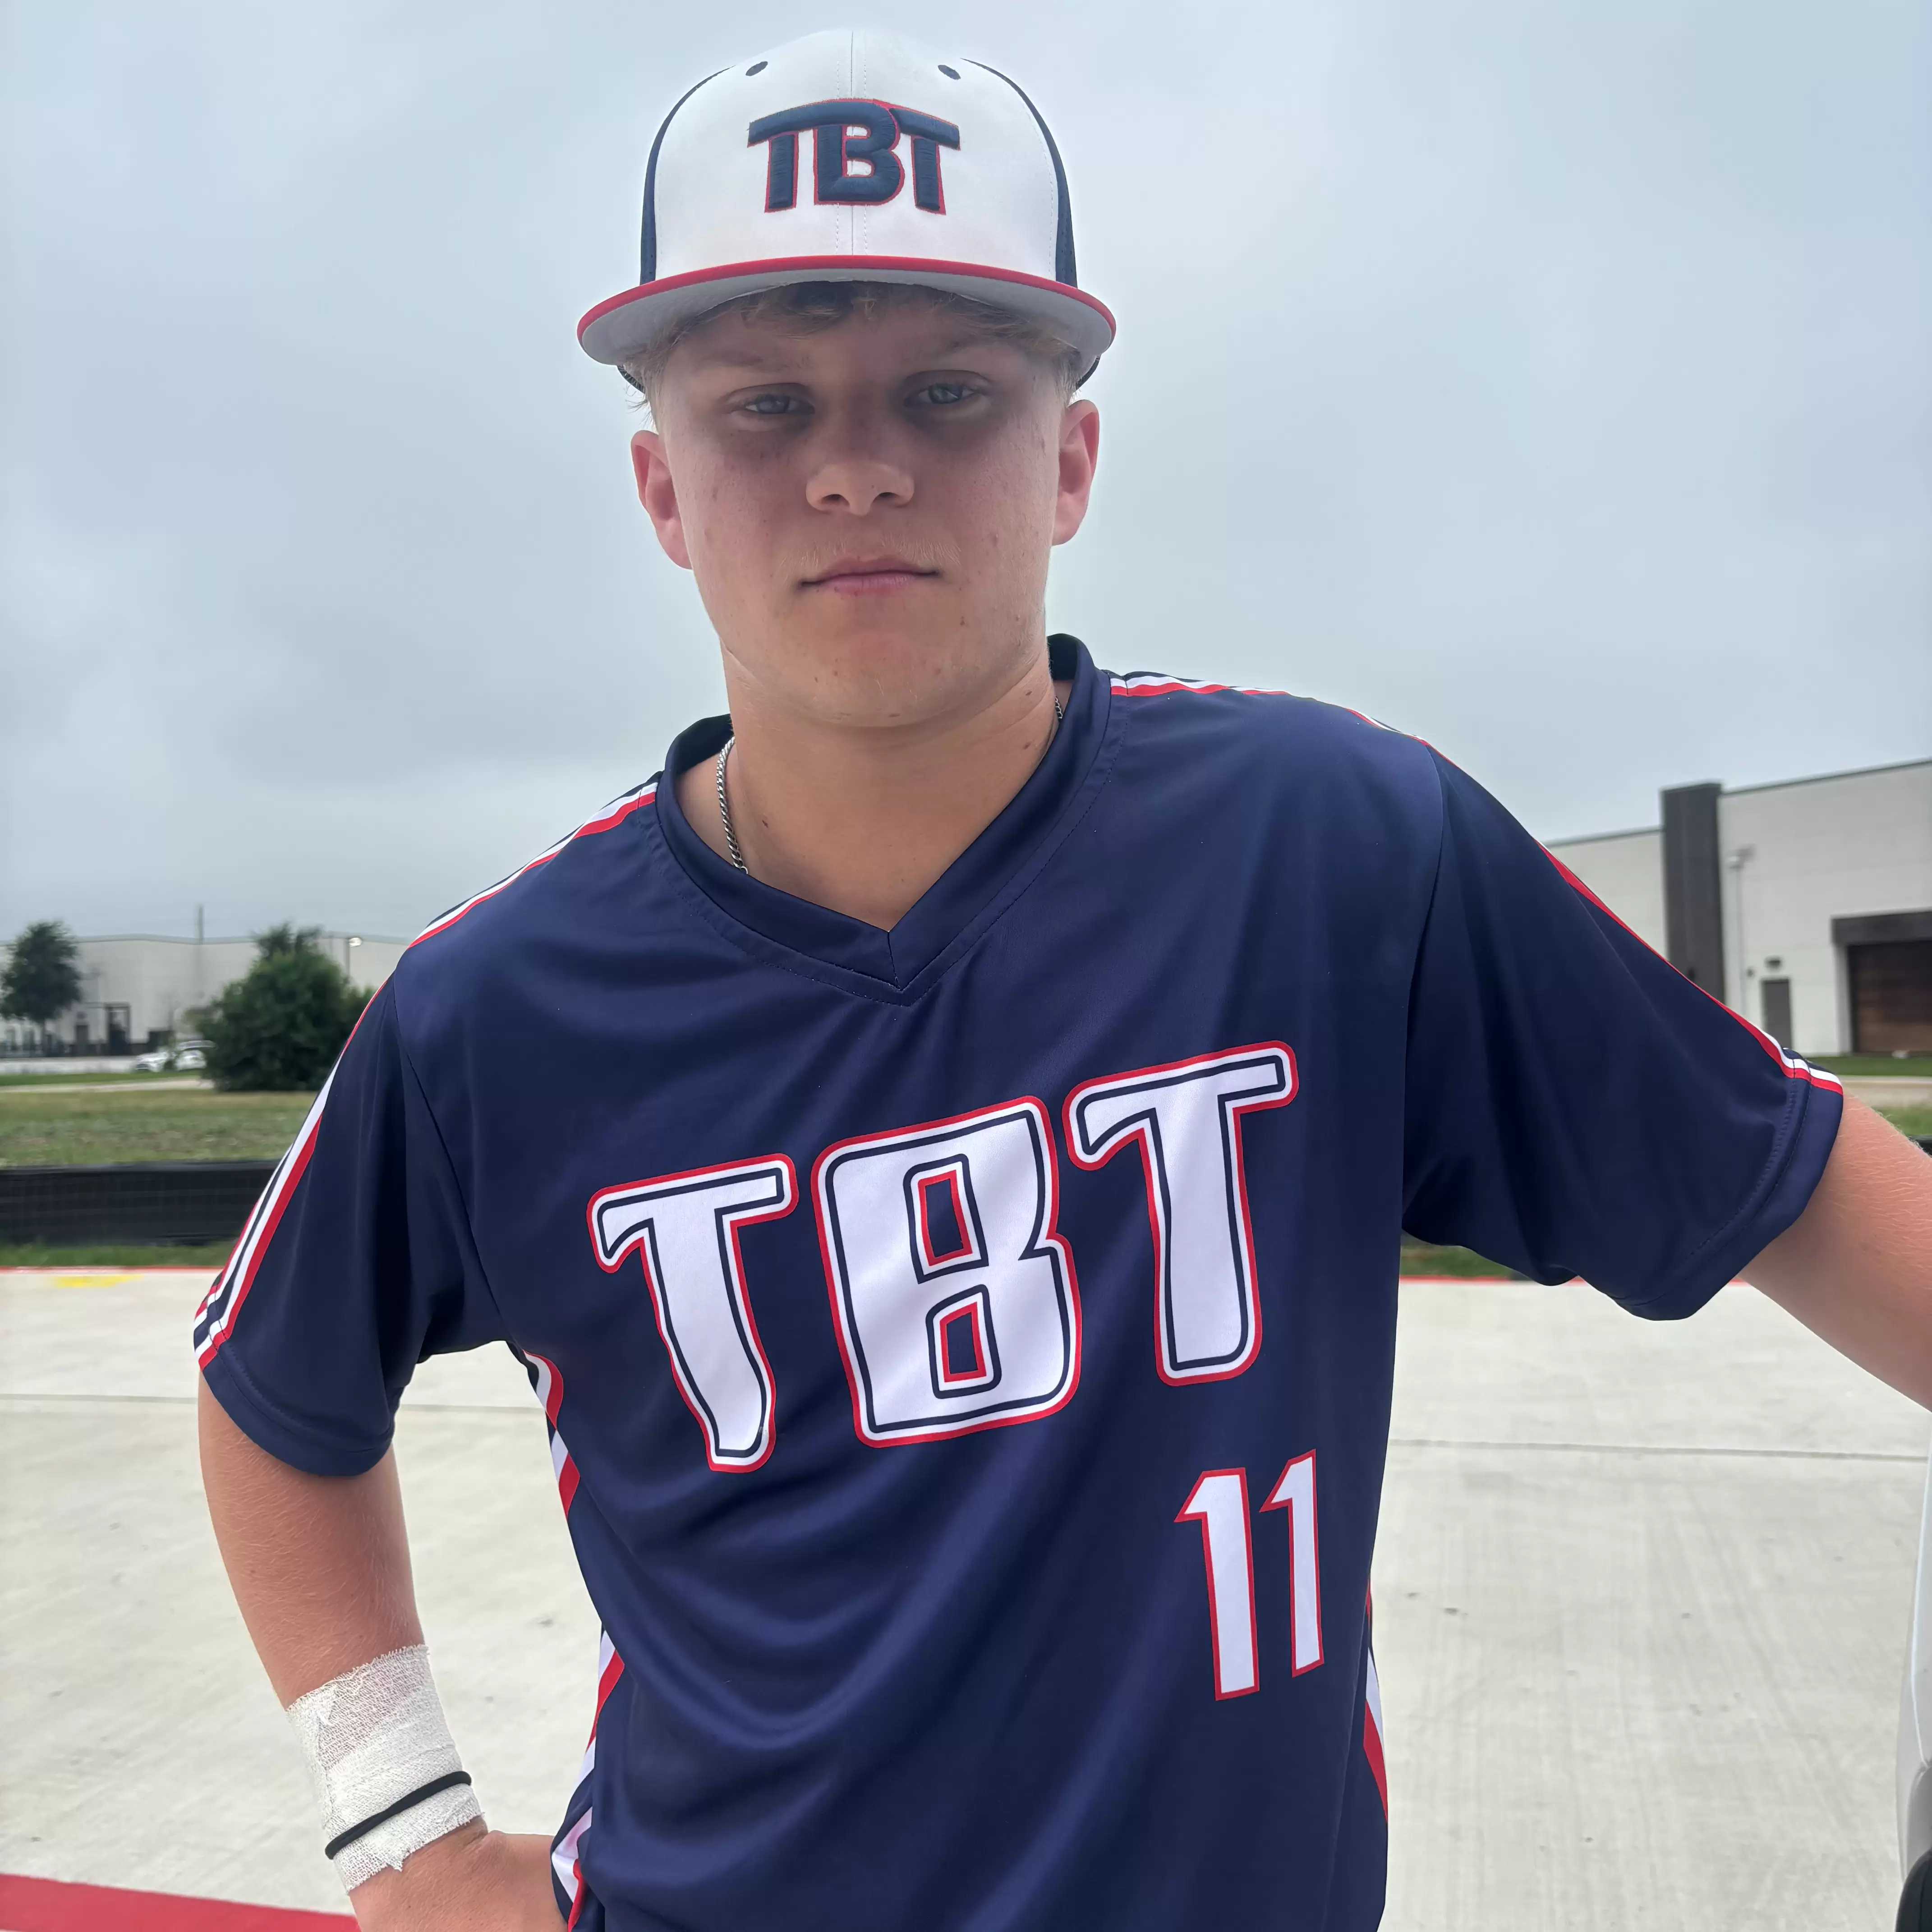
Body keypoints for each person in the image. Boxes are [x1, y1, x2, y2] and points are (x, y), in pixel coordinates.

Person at [195, 28, 1932, 1932]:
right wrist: (407, 1836)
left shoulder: (1332, 849)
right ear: (662, 490)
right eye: (765, 405)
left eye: (947, 391)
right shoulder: (499, 1005)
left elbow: (1784, 1176)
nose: (858, 469)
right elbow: (271, 1388)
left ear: (1072, 457)